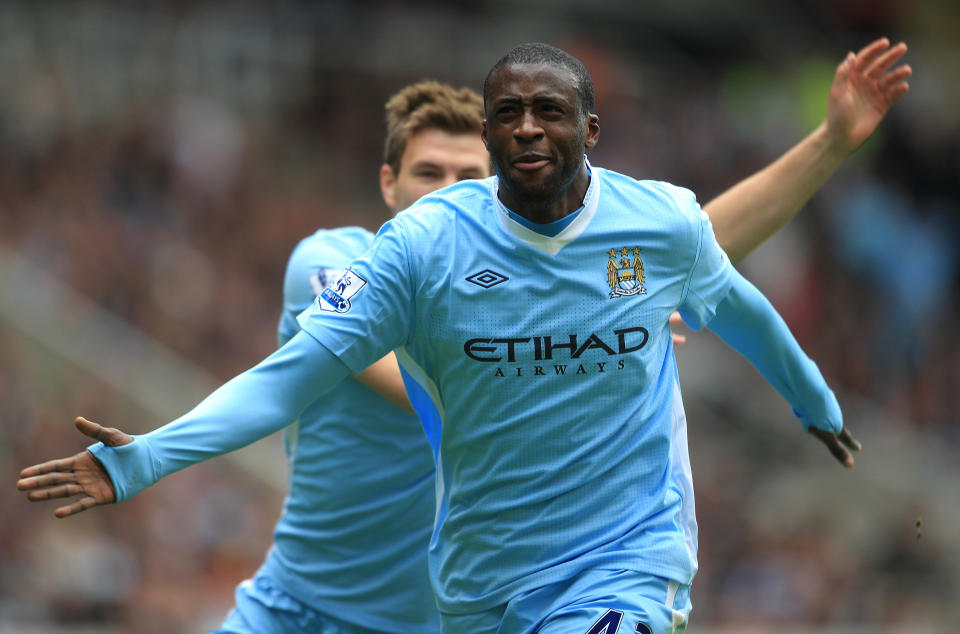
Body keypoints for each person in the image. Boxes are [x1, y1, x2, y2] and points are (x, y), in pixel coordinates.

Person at [17, 39, 909, 634]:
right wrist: (147, 459)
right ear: (386, 182)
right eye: (428, 172)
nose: (448, 186)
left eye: (462, 173)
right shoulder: (362, 264)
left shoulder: (618, 234)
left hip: (528, 585)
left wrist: (829, 146)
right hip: (336, 603)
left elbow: (705, 260)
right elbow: (309, 375)